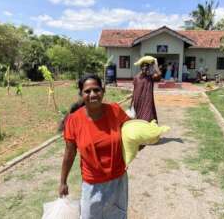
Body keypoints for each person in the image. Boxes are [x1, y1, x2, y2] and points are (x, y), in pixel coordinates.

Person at [59, 73, 130, 219]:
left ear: (103, 91)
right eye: (87, 91)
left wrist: (144, 139)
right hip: (92, 185)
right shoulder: (74, 120)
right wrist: (63, 182)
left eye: (97, 90)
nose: (93, 94)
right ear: (81, 94)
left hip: (118, 181)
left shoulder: (115, 111)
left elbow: (131, 135)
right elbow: (69, 153)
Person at [131, 58, 161, 123]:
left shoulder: (150, 77)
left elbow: (159, 75)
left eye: (147, 66)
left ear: (149, 68)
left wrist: (155, 65)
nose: (145, 67)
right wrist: (131, 103)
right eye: (143, 66)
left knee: (147, 119)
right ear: (140, 67)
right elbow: (134, 90)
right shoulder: (136, 78)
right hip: (138, 103)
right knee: (139, 120)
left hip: (147, 103)